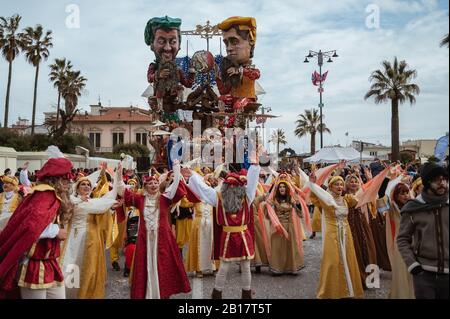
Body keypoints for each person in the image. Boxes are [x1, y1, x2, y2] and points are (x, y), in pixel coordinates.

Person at [117, 161, 198, 299]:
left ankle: (163, 293)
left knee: (163, 265)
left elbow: (176, 188)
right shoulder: (140, 199)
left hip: (162, 239)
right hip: (145, 240)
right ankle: (148, 293)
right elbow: (122, 191)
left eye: (155, 183)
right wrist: (119, 174)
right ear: (145, 186)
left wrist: (177, 169)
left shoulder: (164, 198)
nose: (153, 185)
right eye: (150, 184)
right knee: (146, 265)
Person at [186, 155, 261, 299]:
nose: (232, 188)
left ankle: (246, 294)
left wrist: (255, 166)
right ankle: (217, 293)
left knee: (245, 267)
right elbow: (203, 189)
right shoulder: (218, 197)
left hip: (243, 235)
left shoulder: (247, 196)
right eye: (229, 186)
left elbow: (252, 183)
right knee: (224, 268)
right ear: (225, 187)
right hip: (227, 237)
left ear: (240, 187)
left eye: (235, 186)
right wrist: (193, 175)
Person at [0, 156, 73, 299]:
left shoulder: (51, 195)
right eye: (66, 180)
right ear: (58, 180)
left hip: (50, 263)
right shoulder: (44, 195)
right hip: (33, 265)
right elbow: (30, 228)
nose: (68, 184)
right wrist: (56, 231)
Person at [61, 164, 120, 299]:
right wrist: (79, 200)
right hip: (72, 239)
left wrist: (117, 177)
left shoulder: (93, 202)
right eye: (83, 185)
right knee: (71, 265)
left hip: (90, 240)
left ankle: (85, 293)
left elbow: (109, 198)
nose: (86, 186)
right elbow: (67, 201)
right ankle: (69, 293)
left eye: (88, 185)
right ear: (77, 188)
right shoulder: (72, 200)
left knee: (88, 268)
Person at [307, 173, 364, 299]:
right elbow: (314, 196)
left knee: (348, 259)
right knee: (332, 262)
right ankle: (331, 291)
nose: (339, 186)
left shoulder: (347, 199)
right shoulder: (325, 199)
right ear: (331, 186)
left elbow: (358, 198)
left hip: (346, 233)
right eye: (336, 184)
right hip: (331, 234)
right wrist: (312, 183)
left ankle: (348, 290)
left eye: (341, 184)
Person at [397, 162, 449, 299]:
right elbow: (402, 239)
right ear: (427, 183)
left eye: (444, 179)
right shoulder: (413, 208)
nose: (442, 183)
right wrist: (412, 264)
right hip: (423, 273)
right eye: (437, 180)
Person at [145, 16, 195, 112]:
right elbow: (149, 78)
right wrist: (158, 75)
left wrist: (192, 72)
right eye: (161, 41)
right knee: (160, 90)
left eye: (173, 42)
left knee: (180, 88)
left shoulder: (177, 70)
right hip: (161, 101)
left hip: (173, 103)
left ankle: (180, 102)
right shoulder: (154, 66)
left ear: (179, 45)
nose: (167, 48)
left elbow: (188, 84)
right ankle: (160, 107)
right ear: (152, 45)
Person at [377, 175, 415, 299]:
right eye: (402, 193)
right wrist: (387, 178)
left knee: (412, 272)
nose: (405, 196)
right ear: (396, 195)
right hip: (399, 244)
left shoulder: (414, 206)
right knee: (400, 271)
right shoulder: (392, 208)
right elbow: (381, 194)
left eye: (407, 193)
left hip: (414, 243)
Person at [216, 16, 260, 118]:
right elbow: (224, 91)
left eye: (234, 42)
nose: (229, 49)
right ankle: (225, 122)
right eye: (226, 43)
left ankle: (236, 123)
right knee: (222, 99)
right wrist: (218, 78)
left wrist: (239, 70)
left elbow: (256, 74)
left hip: (247, 98)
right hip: (234, 98)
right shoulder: (230, 69)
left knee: (238, 105)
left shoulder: (249, 69)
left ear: (250, 41)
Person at [264, 174, 305, 275]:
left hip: (290, 226)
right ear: (277, 189)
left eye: (284, 187)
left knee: (290, 247)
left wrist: (298, 204)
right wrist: (267, 206)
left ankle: (291, 267)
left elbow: (300, 214)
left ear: (287, 189)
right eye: (280, 187)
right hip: (278, 227)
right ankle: (277, 268)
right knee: (277, 247)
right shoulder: (273, 200)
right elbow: (267, 216)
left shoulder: (291, 199)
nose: (282, 188)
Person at [344, 174, 377, 288]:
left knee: (368, 248)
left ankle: (370, 279)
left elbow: (374, 193)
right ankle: (357, 279)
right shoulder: (344, 195)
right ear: (346, 183)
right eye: (351, 181)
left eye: (356, 181)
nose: (354, 183)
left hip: (362, 224)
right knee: (354, 250)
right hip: (349, 224)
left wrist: (369, 178)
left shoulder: (362, 193)